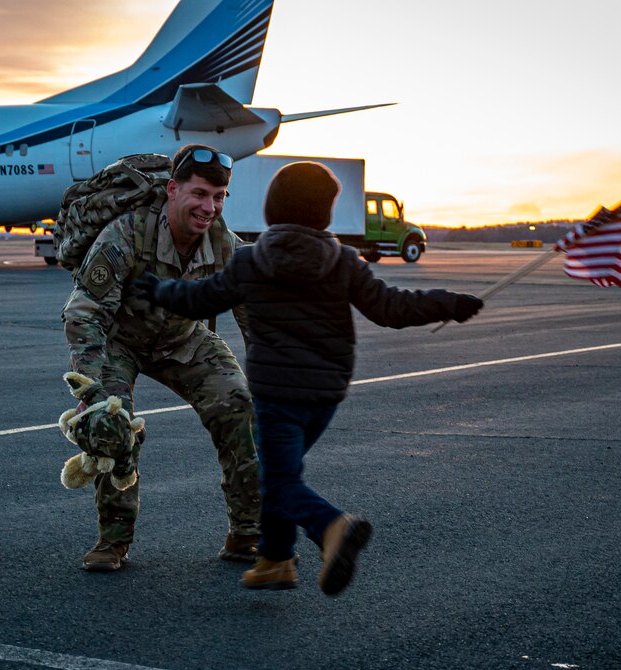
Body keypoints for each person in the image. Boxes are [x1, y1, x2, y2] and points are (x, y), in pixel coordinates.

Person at [135, 161, 483, 595]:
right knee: (283, 474)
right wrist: (448, 302)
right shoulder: (343, 261)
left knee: (277, 481)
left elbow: (200, 299)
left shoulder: (252, 259)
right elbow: (392, 307)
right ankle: (275, 559)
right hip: (325, 394)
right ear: (326, 214)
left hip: (277, 394)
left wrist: (159, 290)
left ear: (271, 209)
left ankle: (332, 527)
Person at [61, 144, 261, 572]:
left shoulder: (223, 241)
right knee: (112, 423)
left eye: (219, 197)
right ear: (173, 189)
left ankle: (247, 533)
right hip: (121, 342)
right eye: (200, 194)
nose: (210, 207)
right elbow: (84, 314)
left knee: (238, 405)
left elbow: (252, 311)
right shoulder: (127, 233)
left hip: (183, 339)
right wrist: (90, 390)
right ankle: (112, 542)